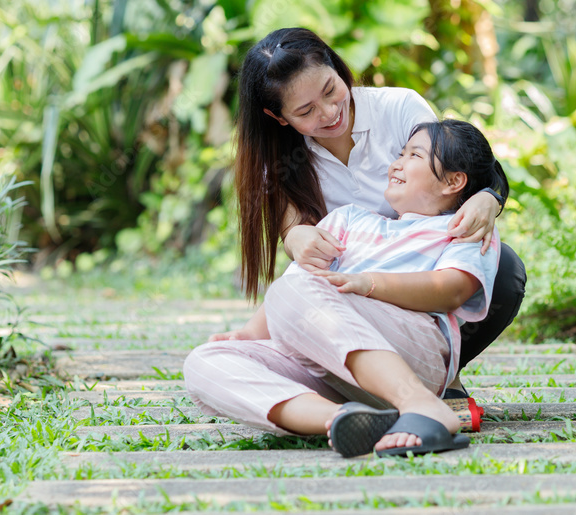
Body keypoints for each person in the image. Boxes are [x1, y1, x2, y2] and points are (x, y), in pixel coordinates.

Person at [185, 120, 506, 457]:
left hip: (415, 357)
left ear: (453, 181)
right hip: (334, 374)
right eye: (400, 153)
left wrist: (369, 283)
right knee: (205, 362)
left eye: (414, 155)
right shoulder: (349, 220)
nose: (397, 162)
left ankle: (420, 403)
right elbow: (295, 283)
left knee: (295, 289)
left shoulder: (461, 228)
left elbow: (452, 288)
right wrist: (250, 334)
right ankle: (347, 419)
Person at [232, 27, 526, 396]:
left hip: (423, 274)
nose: (330, 112)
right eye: (306, 111)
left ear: (337, 68)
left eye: (330, 90)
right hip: (352, 292)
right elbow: (294, 237)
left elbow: (454, 164)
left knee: (502, 267)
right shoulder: (277, 159)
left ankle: (435, 376)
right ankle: (363, 387)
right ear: (278, 118)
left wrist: (488, 196)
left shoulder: (397, 108)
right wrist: (297, 236)